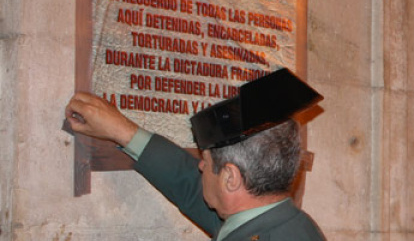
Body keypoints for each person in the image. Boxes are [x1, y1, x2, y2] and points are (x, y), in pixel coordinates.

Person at [65, 69, 326, 241]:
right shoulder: (276, 220)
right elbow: (187, 183)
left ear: (230, 179)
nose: (200, 166)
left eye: (207, 160)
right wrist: (123, 132)